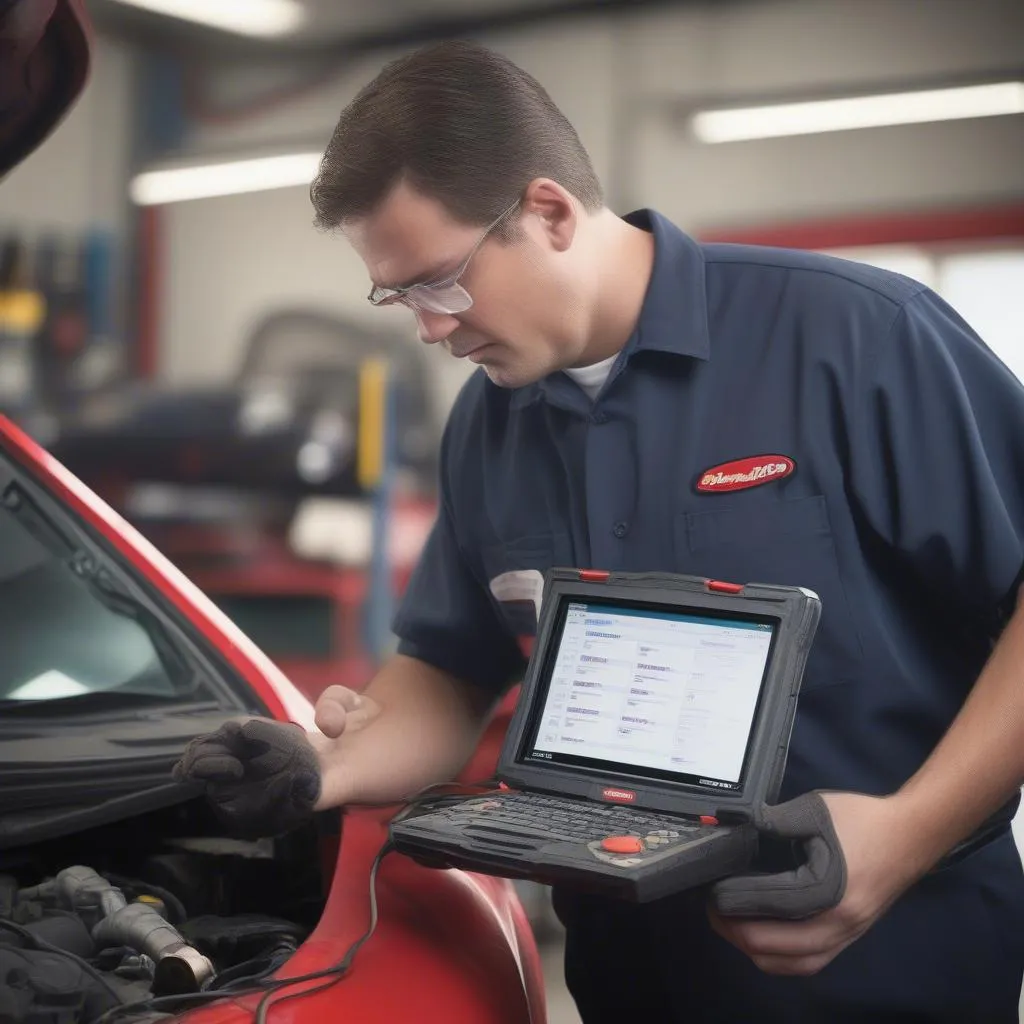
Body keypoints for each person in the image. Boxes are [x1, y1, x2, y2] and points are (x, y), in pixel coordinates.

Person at [174, 39, 1024, 1023]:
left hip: (891, 964)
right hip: (632, 978)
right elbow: (449, 670)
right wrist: (318, 766)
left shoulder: (858, 339)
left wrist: (906, 835)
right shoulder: (490, 422)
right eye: (395, 295)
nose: (428, 327)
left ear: (547, 211)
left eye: (440, 281)